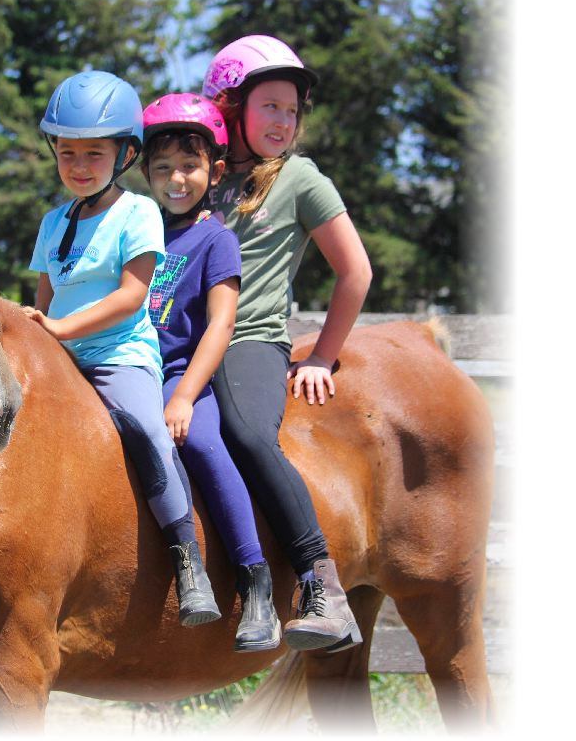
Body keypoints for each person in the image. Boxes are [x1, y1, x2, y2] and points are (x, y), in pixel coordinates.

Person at [24, 71, 219, 626]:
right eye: (67, 153)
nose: (79, 165)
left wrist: (61, 331)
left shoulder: (138, 213)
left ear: (126, 153)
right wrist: (42, 331)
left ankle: (188, 561)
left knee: (150, 430)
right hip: (60, 355)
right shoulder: (51, 221)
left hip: (117, 355)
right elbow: (47, 294)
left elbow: (134, 297)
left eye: (93, 153)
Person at [201, 34, 373, 652]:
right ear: (230, 106)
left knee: (247, 434)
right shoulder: (199, 175)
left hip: (250, 338)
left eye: (291, 110)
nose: (283, 120)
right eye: (270, 105)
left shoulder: (300, 178)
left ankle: (320, 582)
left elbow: (356, 272)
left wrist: (323, 354)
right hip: (183, 340)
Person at [140, 93, 279, 652]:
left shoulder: (215, 238)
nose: (177, 179)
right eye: (163, 168)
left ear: (215, 170)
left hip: (179, 370)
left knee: (199, 441)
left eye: (190, 166)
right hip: (132, 366)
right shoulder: (141, 229)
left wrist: (185, 397)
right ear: (145, 173)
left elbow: (220, 325)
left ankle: (254, 578)